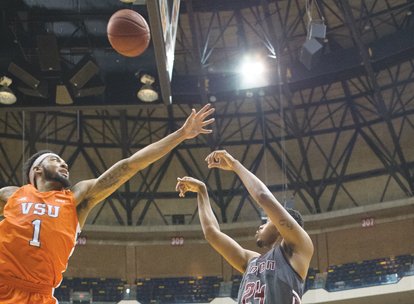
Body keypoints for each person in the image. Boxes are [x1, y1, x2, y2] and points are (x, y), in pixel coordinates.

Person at [0, 104, 215, 304]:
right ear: (37, 170)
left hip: (41, 294)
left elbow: (129, 166)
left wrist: (181, 134)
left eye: (63, 161)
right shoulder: (13, 195)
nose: (64, 163)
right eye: (55, 160)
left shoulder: (76, 199)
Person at [176, 150, 314, 304]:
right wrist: (202, 192)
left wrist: (234, 164)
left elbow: (263, 196)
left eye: (267, 221)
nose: (261, 227)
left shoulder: (300, 249)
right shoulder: (252, 261)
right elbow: (212, 234)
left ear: (279, 226)